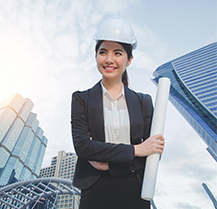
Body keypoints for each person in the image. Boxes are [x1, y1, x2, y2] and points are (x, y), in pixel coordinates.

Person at [71, 17, 164, 209]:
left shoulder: (143, 102)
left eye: (118, 53)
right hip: (94, 192)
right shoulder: (81, 99)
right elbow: (83, 148)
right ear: (96, 56)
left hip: (135, 191)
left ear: (129, 59)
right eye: (103, 52)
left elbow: (153, 152)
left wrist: (110, 164)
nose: (109, 59)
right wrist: (136, 150)